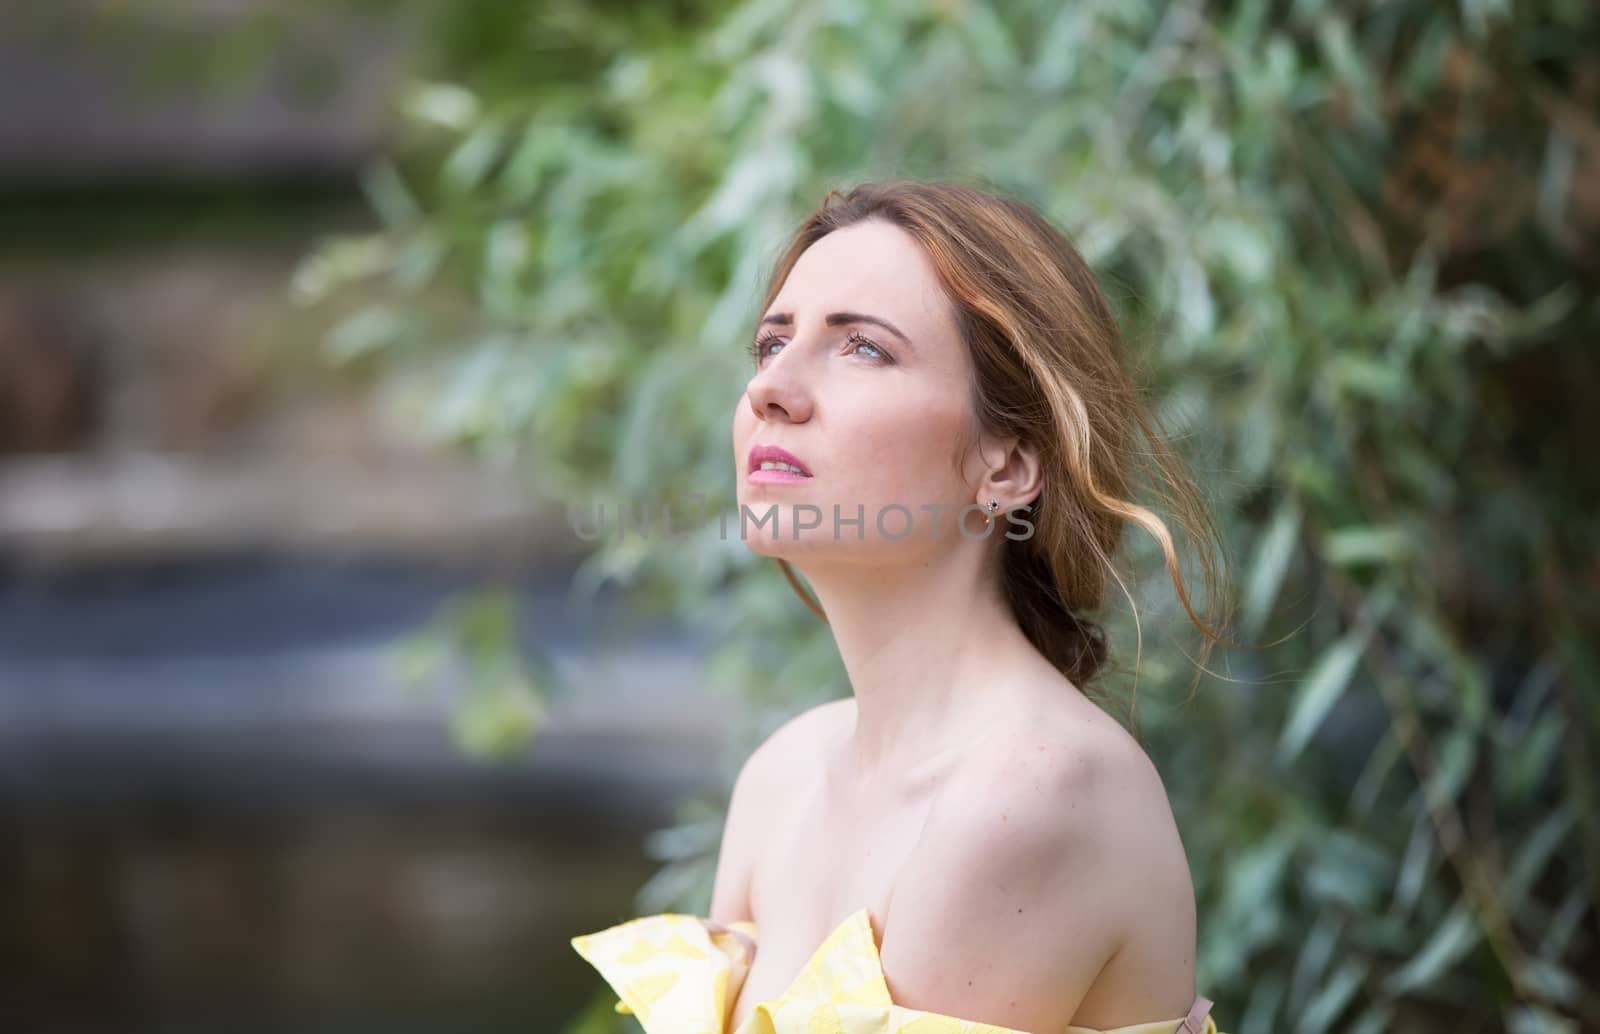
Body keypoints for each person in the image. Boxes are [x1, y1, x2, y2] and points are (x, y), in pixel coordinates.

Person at [571, 179, 1233, 1034]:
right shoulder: (786, 773)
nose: (773, 388)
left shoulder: (1029, 790)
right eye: (772, 343)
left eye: (864, 350)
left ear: (1005, 464)